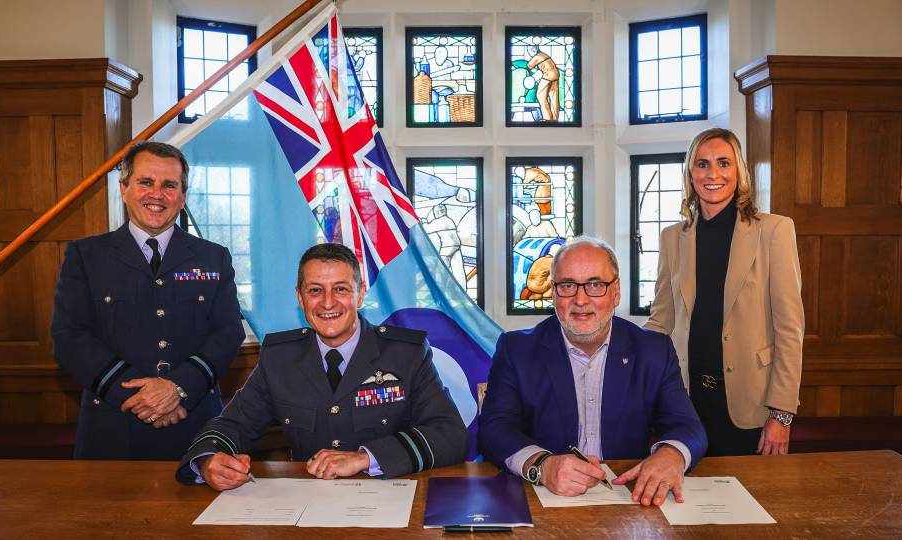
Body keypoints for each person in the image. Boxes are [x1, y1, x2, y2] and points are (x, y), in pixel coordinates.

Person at [176, 243, 467, 489]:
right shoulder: (280, 358)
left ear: (360, 293)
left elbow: (450, 434)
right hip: (307, 502)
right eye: (315, 290)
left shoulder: (406, 353)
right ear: (300, 297)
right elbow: (233, 424)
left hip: (388, 496)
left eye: (340, 289)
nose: (328, 303)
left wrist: (366, 458)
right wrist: (207, 460)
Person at [50, 141, 245, 460]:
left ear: (182, 197)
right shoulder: (86, 256)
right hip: (112, 426)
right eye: (145, 182)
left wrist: (177, 388)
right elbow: (69, 338)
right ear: (124, 188)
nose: (157, 194)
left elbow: (228, 333)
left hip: (193, 422)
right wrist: (141, 397)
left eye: (169, 185)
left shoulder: (214, 258)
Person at [479, 237, 706, 507]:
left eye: (596, 285)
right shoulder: (516, 349)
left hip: (628, 498)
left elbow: (688, 426)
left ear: (616, 291)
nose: (581, 299)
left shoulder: (653, 350)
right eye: (568, 285)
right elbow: (495, 429)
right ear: (553, 292)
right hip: (543, 500)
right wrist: (542, 465)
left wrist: (671, 454)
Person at [645, 127, 804, 456]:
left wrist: (781, 414)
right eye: (702, 164)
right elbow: (661, 321)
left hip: (752, 406)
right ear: (690, 173)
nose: (713, 174)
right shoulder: (673, 238)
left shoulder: (774, 230)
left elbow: (790, 330)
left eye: (723, 163)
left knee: (749, 504)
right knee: (687, 504)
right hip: (685, 403)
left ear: (739, 170)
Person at [526, 46, 560, 122]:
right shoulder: (544, 54)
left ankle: (547, 119)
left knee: (540, 96)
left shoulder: (537, 57)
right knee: (553, 97)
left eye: (530, 50)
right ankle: (555, 119)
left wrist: (534, 71)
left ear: (534, 50)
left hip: (548, 76)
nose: (530, 52)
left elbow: (529, 65)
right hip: (555, 75)